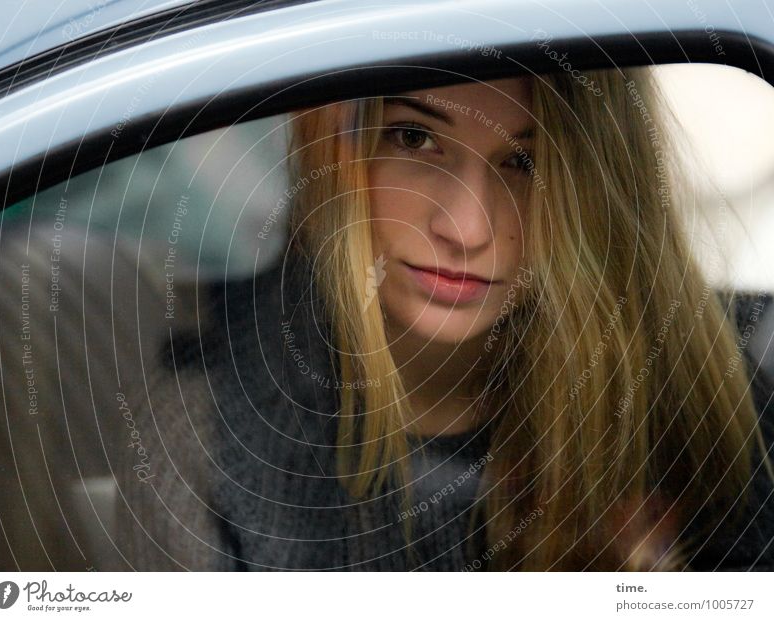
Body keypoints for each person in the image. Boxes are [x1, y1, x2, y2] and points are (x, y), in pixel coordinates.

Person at [114, 66, 774, 571]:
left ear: (592, 190)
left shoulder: (709, 395)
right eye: (415, 137)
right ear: (336, 148)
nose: (465, 228)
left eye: (525, 161)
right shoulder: (209, 422)